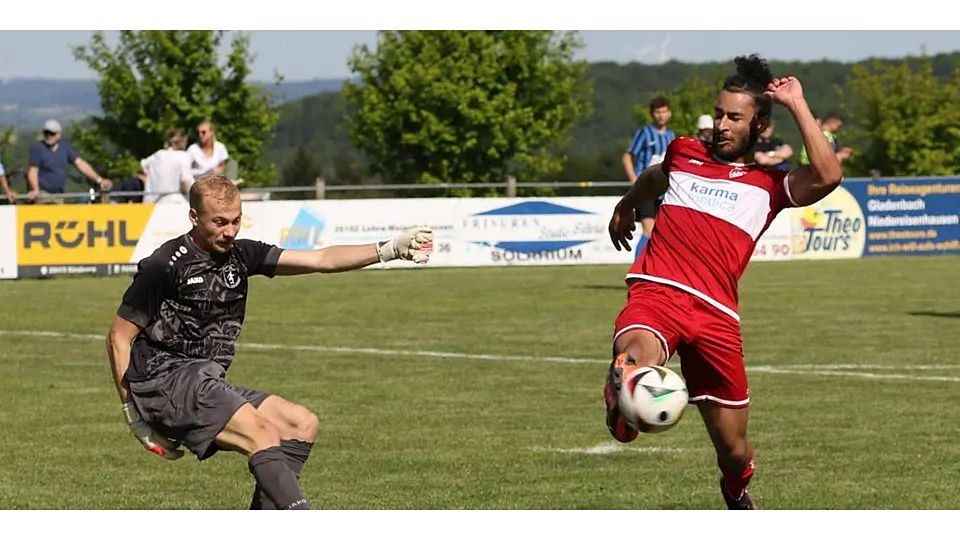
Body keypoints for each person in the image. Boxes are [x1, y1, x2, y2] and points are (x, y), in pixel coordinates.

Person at [105, 175, 434, 510]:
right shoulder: (165, 264)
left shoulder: (242, 255)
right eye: (219, 222)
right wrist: (133, 413)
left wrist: (388, 250)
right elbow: (119, 336)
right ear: (194, 217)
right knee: (261, 432)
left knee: (299, 423)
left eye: (235, 221)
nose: (229, 231)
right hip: (166, 381)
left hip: (204, 380)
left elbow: (320, 260)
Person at [605, 55, 843, 510]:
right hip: (660, 289)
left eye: (735, 117)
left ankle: (734, 490)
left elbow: (829, 175)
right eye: (718, 114)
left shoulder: (772, 184)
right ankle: (625, 380)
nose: (722, 124)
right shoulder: (684, 151)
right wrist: (625, 205)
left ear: (759, 126)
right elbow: (656, 176)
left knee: (734, 450)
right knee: (638, 349)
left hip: (717, 317)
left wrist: (797, 103)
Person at [622, 96, 675, 253]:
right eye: (658, 112)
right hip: (646, 190)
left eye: (664, 112)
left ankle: (653, 271)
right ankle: (638, 271)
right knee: (648, 230)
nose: (661, 115)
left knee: (662, 234)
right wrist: (634, 181)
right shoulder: (645, 133)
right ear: (652, 114)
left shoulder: (671, 136)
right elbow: (627, 156)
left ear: (669, 114)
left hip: (664, 191)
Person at [27, 119, 112, 202]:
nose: (49, 136)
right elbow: (33, 171)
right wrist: (35, 189)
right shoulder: (38, 149)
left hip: (59, 194)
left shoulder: (65, 148)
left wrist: (99, 180)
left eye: (52, 133)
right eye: (46, 133)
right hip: (43, 194)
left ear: (59, 134)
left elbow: (81, 164)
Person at [140, 128, 193, 203]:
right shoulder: (183, 156)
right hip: (174, 204)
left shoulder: (157, 155)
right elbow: (186, 182)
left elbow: (143, 166)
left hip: (151, 204)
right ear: (183, 140)